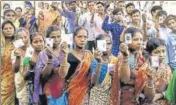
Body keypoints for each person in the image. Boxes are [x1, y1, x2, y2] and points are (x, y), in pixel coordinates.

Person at [66, 27, 103, 105]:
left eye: (85, 37)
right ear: (73, 38)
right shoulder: (68, 56)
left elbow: (95, 77)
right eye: (79, 37)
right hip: (72, 93)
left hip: (86, 93)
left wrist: (99, 61)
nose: (82, 40)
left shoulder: (89, 54)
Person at [34, 25, 70, 105]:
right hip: (49, 91)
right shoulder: (43, 54)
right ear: (47, 38)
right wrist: (50, 58)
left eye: (58, 36)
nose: (56, 40)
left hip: (62, 90)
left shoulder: (64, 51)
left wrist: (65, 55)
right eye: (53, 37)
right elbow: (42, 76)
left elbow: (66, 74)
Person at [142, 38, 172, 105]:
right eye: (157, 52)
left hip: (164, 100)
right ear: (149, 54)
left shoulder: (167, 68)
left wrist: (161, 95)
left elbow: (171, 89)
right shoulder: (144, 69)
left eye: (163, 51)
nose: (161, 55)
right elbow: (146, 95)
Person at [23, 32, 45, 104]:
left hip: (47, 88)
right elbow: (25, 76)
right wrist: (31, 67)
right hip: (34, 90)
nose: (39, 44)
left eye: (41, 41)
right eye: (35, 42)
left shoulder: (48, 55)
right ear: (31, 44)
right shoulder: (27, 58)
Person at [11, 27, 31, 105]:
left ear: (28, 36)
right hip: (21, 84)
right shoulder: (15, 51)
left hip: (32, 83)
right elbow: (15, 69)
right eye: (20, 38)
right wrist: (18, 57)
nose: (23, 40)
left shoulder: (32, 48)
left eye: (25, 37)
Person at [1, 20, 16, 105]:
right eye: (5, 28)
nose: (8, 30)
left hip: (11, 76)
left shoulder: (18, 42)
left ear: (14, 29)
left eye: (10, 28)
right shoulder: (1, 44)